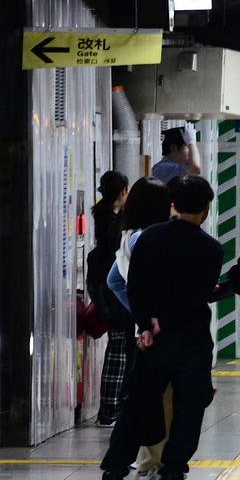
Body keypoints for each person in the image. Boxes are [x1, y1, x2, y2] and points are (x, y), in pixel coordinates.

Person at [98, 175, 223, 480]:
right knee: (188, 407)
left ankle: (113, 472)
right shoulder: (211, 248)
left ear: (174, 205)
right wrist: (162, 323)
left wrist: (146, 326)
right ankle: (172, 473)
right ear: (207, 209)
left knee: (137, 404)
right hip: (191, 339)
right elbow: (198, 297)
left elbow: (134, 286)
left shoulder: (149, 237)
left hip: (151, 342)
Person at [105, 177, 174, 480]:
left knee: (141, 399)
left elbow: (115, 282)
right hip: (157, 334)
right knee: (157, 403)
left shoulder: (128, 236)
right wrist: (149, 317)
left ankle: (127, 466)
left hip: (144, 330)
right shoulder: (147, 239)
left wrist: (139, 315)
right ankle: (148, 467)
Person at [88, 170, 131, 426]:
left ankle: (110, 408)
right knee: (118, 350)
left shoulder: (102, 217)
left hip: (105, 289)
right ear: (123, 192)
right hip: (113, 292)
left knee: (117, 348)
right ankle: (109, 410)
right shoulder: (112, 223)